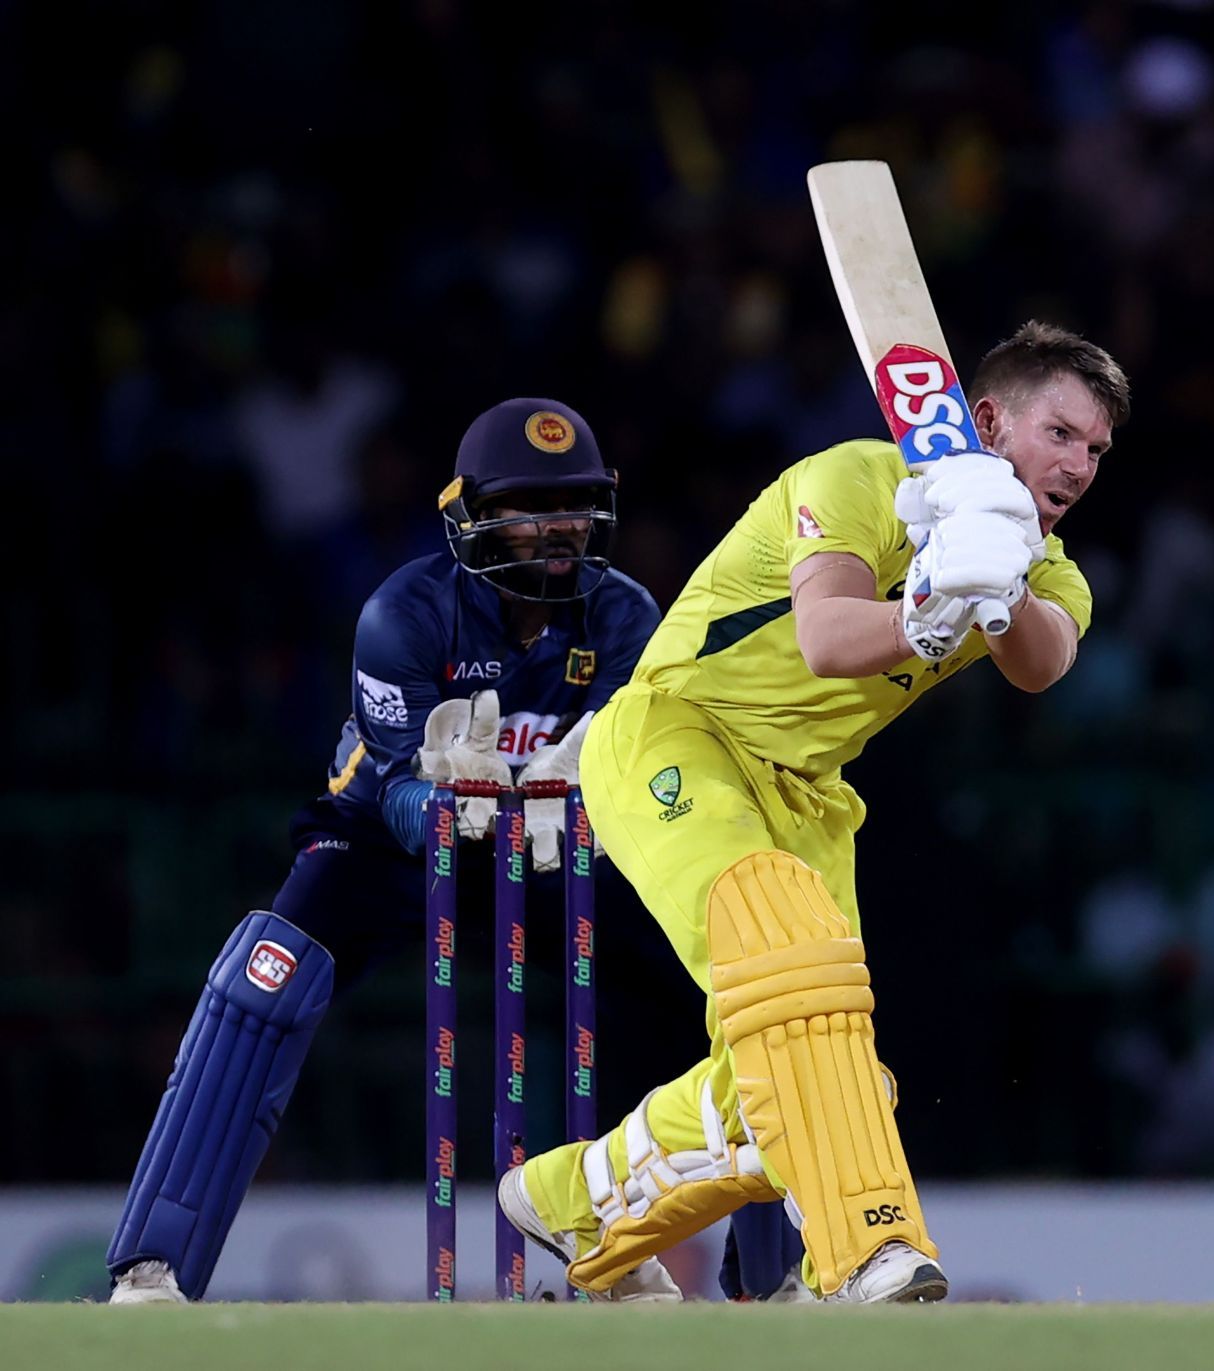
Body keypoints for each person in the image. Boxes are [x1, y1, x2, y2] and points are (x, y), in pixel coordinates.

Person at [497, 321, 1130, 1302]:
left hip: (809, 793)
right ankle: (866, 1253)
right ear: (990, 418)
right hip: (680, 735)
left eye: (1096, 449)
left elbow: (1043, 663)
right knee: (796, 982)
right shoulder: (856, 478)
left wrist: (994, 575)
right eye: (1062, 434)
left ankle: (571, 1197)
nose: (1081, 465)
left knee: (814, 1080)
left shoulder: (1048, 568)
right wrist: (925, 605)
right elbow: (831, 637)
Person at [105, 398, 692, 1302]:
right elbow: (402, 791)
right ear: (475, 515)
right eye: (529, 506)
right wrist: (467, 804)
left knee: (722, 963)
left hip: (552, 844)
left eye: (573, 502)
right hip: (384, 841)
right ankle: (155, 1266)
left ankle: (741, 1267)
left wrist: (565, 802)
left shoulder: (623, 616)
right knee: (266, 976)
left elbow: (624, 771)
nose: (558, 527)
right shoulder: (405, 613)